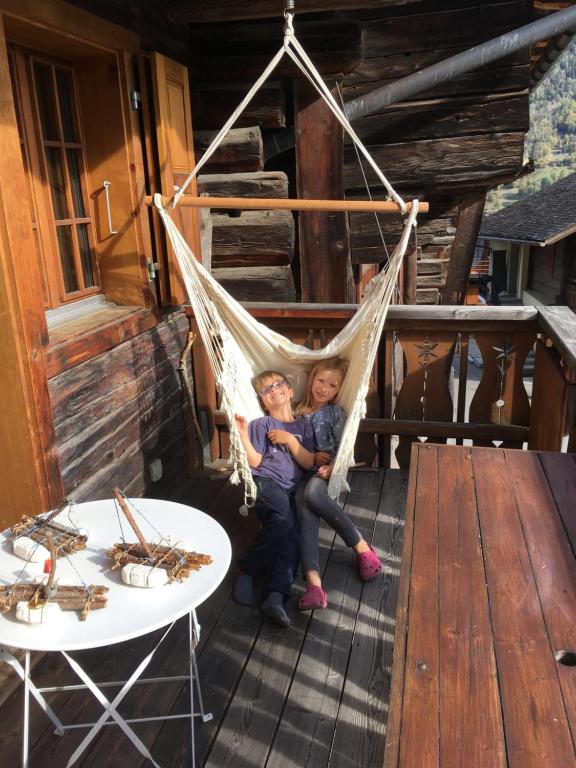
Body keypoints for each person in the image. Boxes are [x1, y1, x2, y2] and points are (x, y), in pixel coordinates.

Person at [294, 358, 382, 610]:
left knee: (310, 493)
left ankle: (361, 547)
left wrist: (332, 468)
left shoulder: (335, 413)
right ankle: (315, 588)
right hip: (301, 472)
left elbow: (345, 448)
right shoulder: (296, 410)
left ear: (338, 391)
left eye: (332, 386)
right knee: (304, 505)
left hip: (326, 474)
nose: (324, 388)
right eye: (320, 381)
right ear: (312, 379)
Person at [233, 370, 314, 627]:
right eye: (266, 389)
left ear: (290, 391)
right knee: (282, 522)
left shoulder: (303, 426)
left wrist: (290, 440)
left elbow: (308, 461)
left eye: (279, 384)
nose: (274, 389)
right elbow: (255, 461)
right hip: (268, 483)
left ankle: (275, 596)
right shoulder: (263, 424)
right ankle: (248, 568)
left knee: (294, 536)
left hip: (295, 487)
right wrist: (244, 434)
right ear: (263, 401)